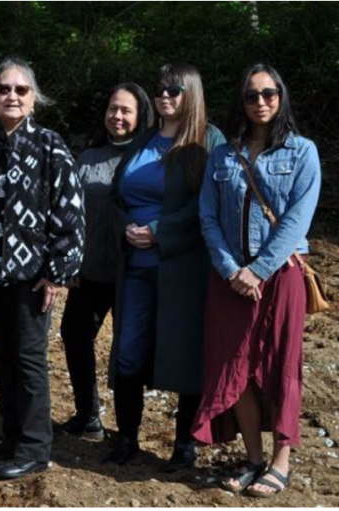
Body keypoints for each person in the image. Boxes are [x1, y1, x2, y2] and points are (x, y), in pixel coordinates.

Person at [193, 63, 321, 497]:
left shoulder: (303, 152)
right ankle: (253, 457)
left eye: (269, 93)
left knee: (281, 366)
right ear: (242, 101)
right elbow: (207, 216)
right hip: (229, 280)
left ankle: (282, 459)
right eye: (252, 95)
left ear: (281, 97)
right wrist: (232, 269)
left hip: (280, 276)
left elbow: (296, 220)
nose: (261, 101)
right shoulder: (223, 155)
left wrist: (258, 269)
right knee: (236, 368)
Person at [104, 63, 225, 469]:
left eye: (174, 90)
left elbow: (208, 206)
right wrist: (128, 228)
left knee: (184, 355)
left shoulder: (208, 141)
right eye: (160, 90)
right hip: (136, 267)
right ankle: (125, 440)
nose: (165, 97)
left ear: (191, 92)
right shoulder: (143, 143)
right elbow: (116, 198)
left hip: (184, 269)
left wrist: (159, 229)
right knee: (127, 353)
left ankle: (184, 446)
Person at [0, 57, 84, 480]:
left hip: (33, 275)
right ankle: (12, 434)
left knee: (29, 359)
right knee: (2, 358)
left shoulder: (51, 146)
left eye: (20, 90)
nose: (11, 96)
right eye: (3, 89)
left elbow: (70, 211)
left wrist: (58, 270)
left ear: (34, 98)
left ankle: (35, 446)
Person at [58, 83, 154, 439]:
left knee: (127, 350)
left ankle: (128, 429)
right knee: (74, 336)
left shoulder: (149, 158)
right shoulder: (88, 157)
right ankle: (88, 415)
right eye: (113, 108)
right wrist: (71, 264)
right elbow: (72, 215)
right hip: (89, 272)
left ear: (141, 115)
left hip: (132, 272)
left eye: (126, 110)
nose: (118, 116)